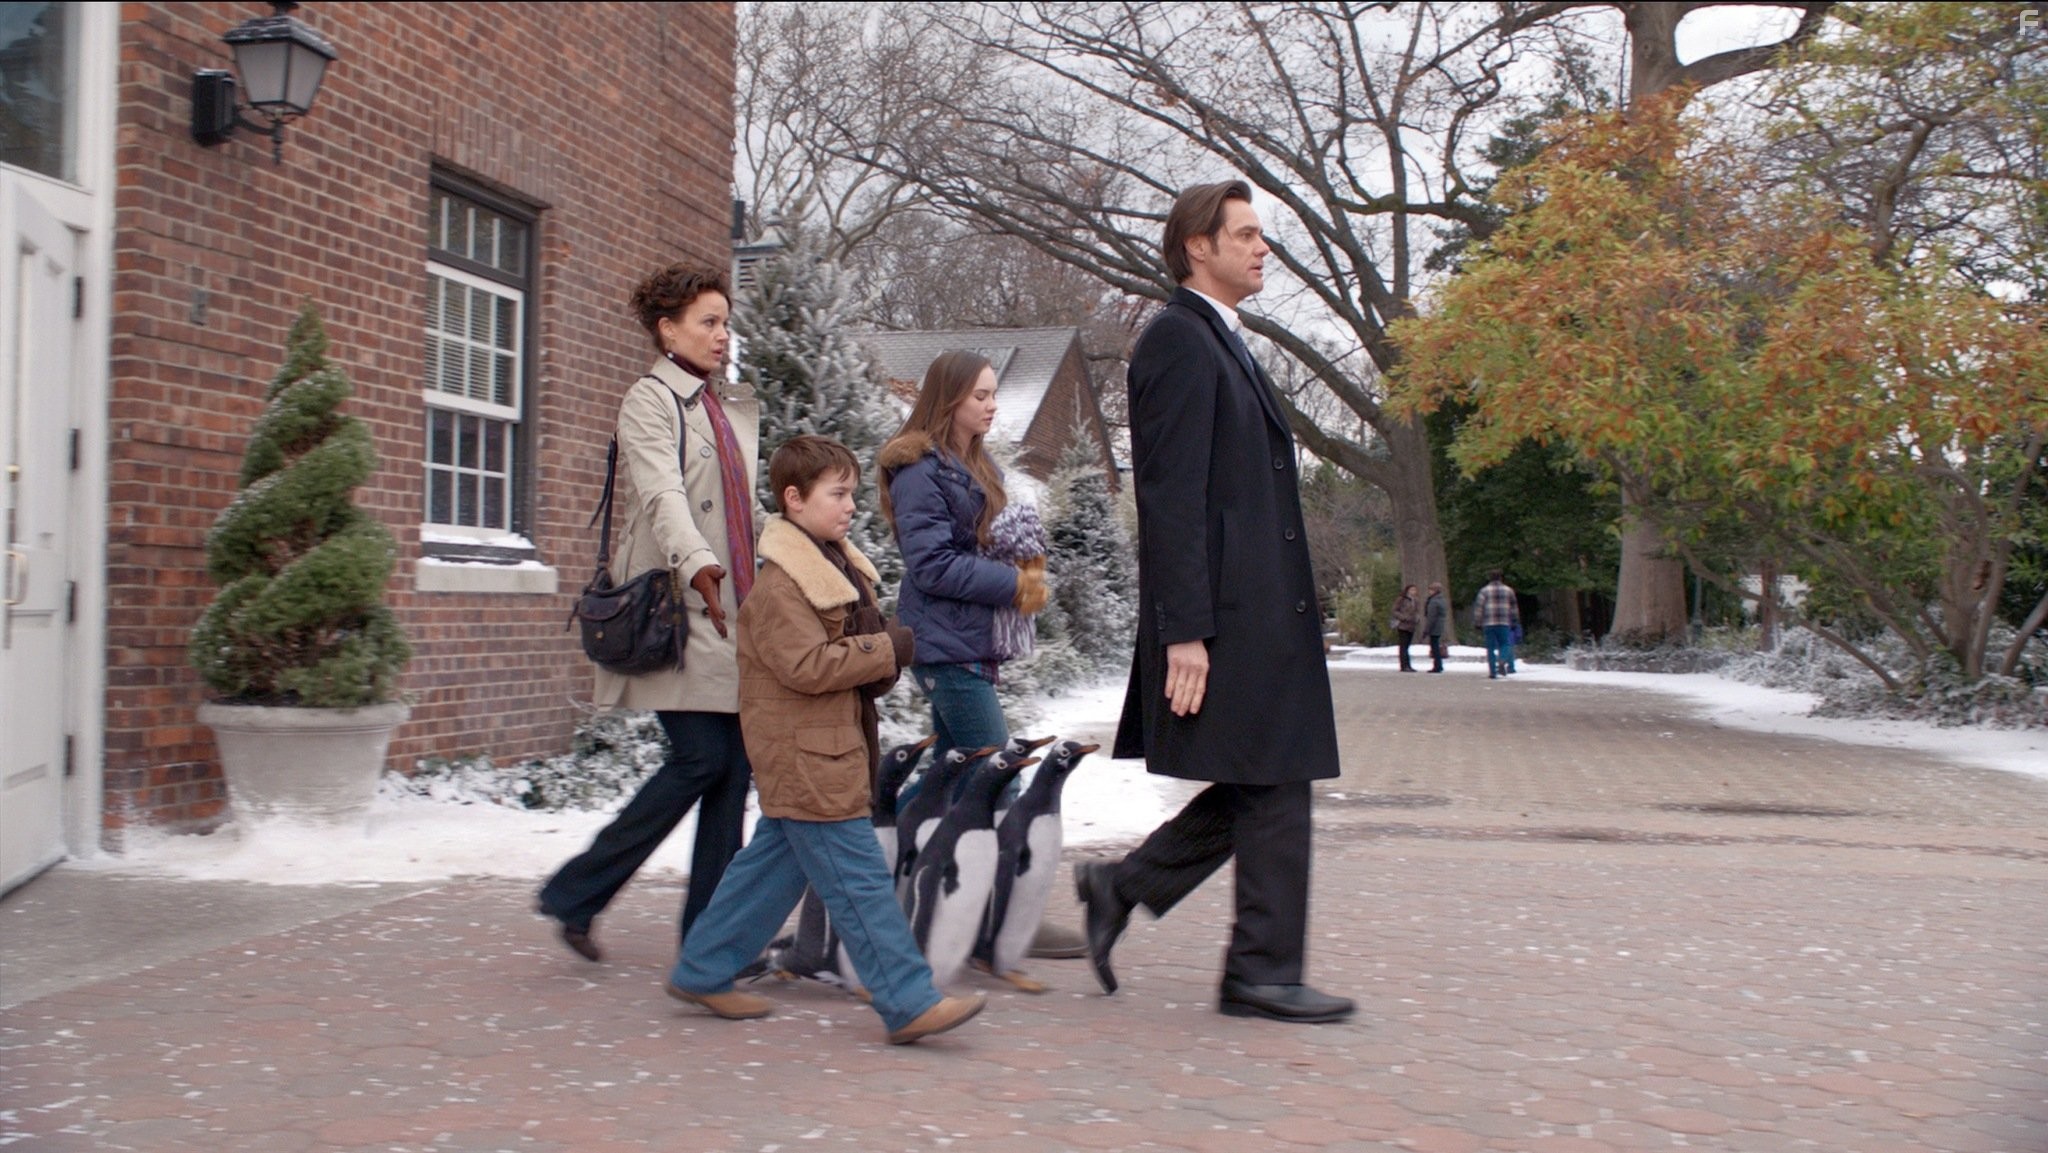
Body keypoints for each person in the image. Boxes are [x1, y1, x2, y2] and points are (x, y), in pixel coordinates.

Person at [1074, 180, 1354, 1025]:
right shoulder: (1177, 342)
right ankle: (1258, 970)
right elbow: (1170, 497)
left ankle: (1127, 890)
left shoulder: (1220, 339)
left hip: (1259, 610)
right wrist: (1185, 632)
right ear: (1198, 246)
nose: (1262, 247)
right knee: (1275, 778)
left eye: (1261, 235)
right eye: (1245, 234)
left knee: (1272, 776)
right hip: (1227, 616)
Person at [664, 435, 985, 1045]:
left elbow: (843, 659)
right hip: (808, 755)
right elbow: (807, 666)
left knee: (771, 868)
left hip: (818, 748)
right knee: (860, 882)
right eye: (837, 494)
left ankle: (702, 968)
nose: (849, 507)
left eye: (852, 494)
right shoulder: (784, 584)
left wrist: (880, 650)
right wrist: (886, 647)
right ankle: (908, 1000)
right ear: (794, 499)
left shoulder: (828, 564)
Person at [537, 266, 758, 964]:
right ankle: (579, 888)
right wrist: (697, 561)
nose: (723, 336)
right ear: (667, 328)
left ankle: (707, 936)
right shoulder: (650, 401)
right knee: (701, 758)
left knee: (732, 767)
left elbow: (745, 516)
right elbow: (662, 496)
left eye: (726, 322)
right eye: (708, 322)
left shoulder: (724, 409)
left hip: (730, 612)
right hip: (679, 605)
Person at [875, 350, 1082, 961]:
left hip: (964, 640)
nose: (993, 407)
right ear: (949, 400)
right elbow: (932, 565)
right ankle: (1006, 912)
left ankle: (863, 882)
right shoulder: (920, 471)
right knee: (999, 778)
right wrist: (1013, 586)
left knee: (947, 778)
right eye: (981, 397)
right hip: (944, 646)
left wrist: (1023, 559)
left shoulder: (971, 462)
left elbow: (974, 546)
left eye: (994, 395)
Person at [1474, 569, 1522, 679]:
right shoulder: (1508, 590)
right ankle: (1502, 660)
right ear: (1501, 578)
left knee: (1490, 647)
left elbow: (1479, 608)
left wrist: (1478, 622)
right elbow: (1514, 608)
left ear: (1489, 578)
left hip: (1488, 622)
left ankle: (1492, 672)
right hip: (1504, 622)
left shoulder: (1484, 591)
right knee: (1505, 644)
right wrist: (1515, 621)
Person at [1390, 584, 1421, 673]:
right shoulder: (1402, 599)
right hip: (1403, 625)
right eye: (1411, 590)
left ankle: (1408, 665)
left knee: (1407, 646)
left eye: (1414, 590)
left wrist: (1417, 618)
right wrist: (1403, 617)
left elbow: (1417, 611)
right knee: (1403, 646)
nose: (1413, 592)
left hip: (1411, 625)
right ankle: (1404, 665)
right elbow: (1394, 610)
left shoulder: (1416, 600)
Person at [1424, 582, 1449, 674]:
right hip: (1439, 625)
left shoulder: (1434, 601)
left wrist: (1427, 629)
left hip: (1434, 626)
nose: (1429, 592)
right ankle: (1438, 665)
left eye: (1431, 590)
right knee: (1435, 645)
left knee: (1434, 646)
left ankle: (1437, 665)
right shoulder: (1442, 600)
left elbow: (1431, 617)